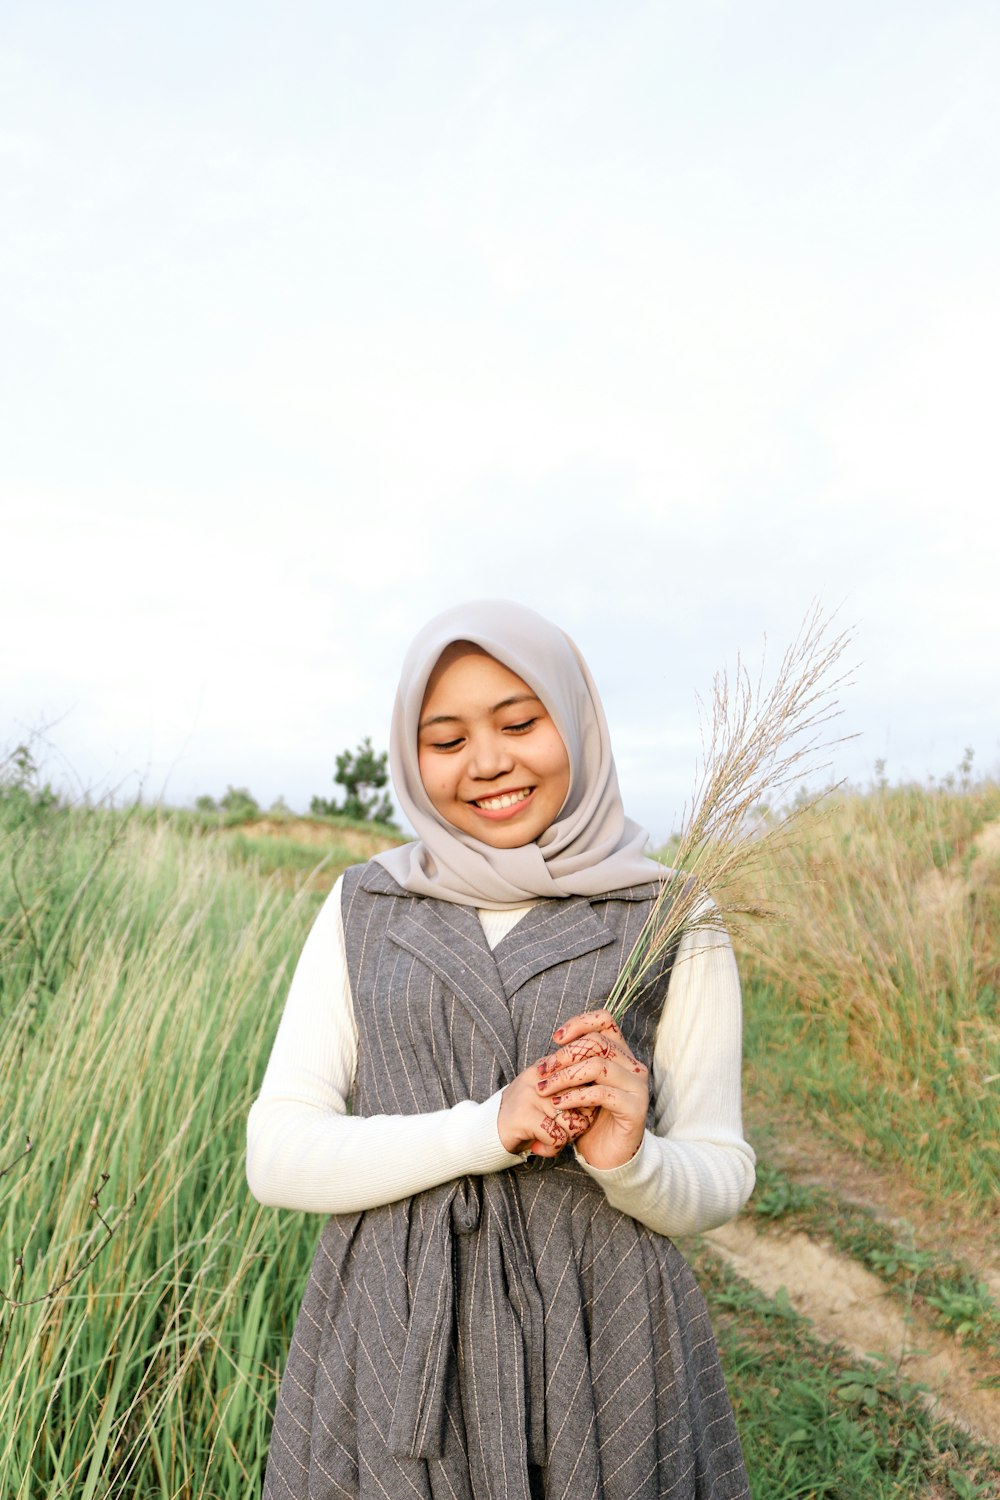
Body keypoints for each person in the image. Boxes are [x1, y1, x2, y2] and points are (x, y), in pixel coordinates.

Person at [247, 599, 755, 1500]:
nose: (487, 762)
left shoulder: (673, 915)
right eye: (446, 740)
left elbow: (721, 1174)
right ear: (411, 758)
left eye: (520, 722)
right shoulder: (365, 906)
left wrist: (632, 1160)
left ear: (576, 719)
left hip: (605, 1338)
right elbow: (277, 1157)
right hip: (395, 1330)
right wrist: (489, 1127)